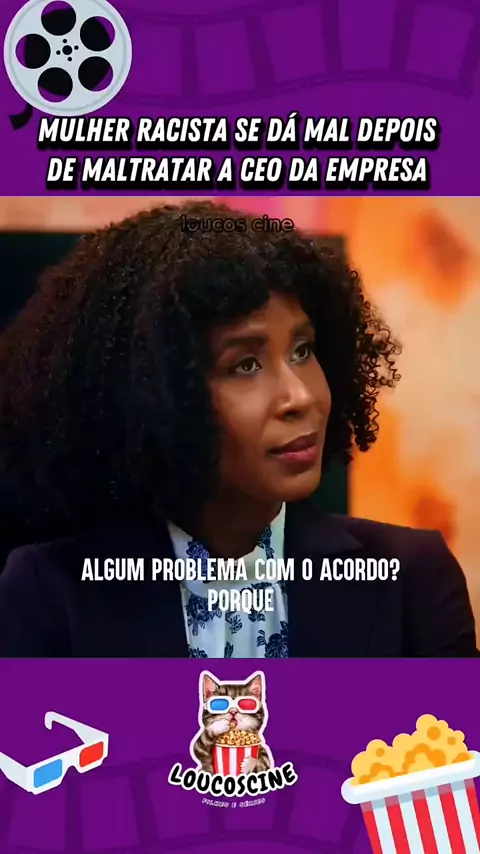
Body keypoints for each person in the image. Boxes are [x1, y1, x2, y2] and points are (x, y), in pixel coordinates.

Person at [0, 201, 477, 658]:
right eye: (245, 364)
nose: (301, 396)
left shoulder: (412, 579)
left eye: (303, 351)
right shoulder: (49, 595)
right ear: (156, 393)